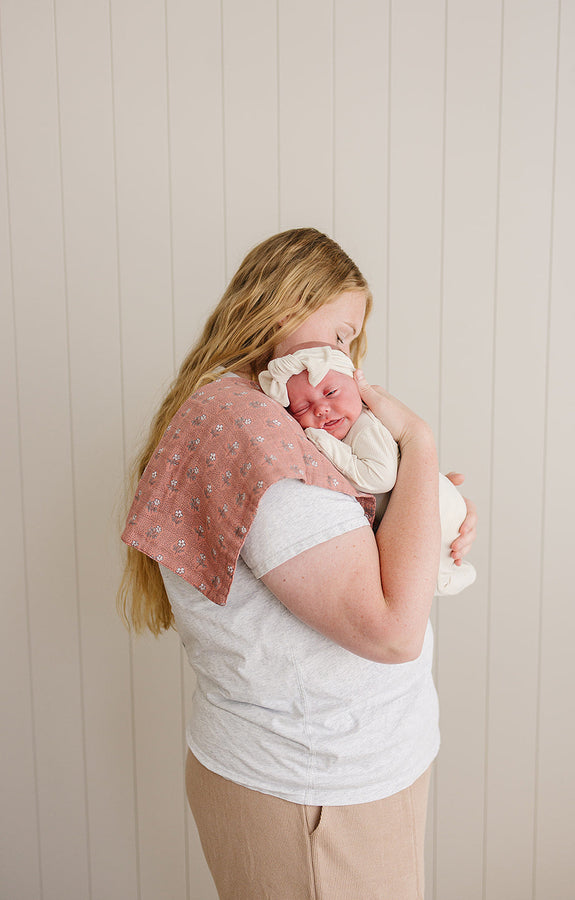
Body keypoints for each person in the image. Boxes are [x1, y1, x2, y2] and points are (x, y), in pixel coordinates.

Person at [118, 227, 477, 900]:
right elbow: (390, 631)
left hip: (338, 774)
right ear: (285, 306)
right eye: (341, 333)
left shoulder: (258, 412)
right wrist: (418, 443)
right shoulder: (257, 438)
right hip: (317, 790)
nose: (345, 354)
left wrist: (429, 507)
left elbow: (354, 535)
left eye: (349, 341)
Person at [258, 343, 476, 597]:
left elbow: (380, 478)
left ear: (358, 387)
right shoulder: (348, 432)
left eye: (331, 392)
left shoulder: (364, 427)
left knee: (425, 565)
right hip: (418, 501)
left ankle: (446, 577)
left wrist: (321, 440)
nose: (320, 408)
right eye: (302, 409)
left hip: (436, 505)